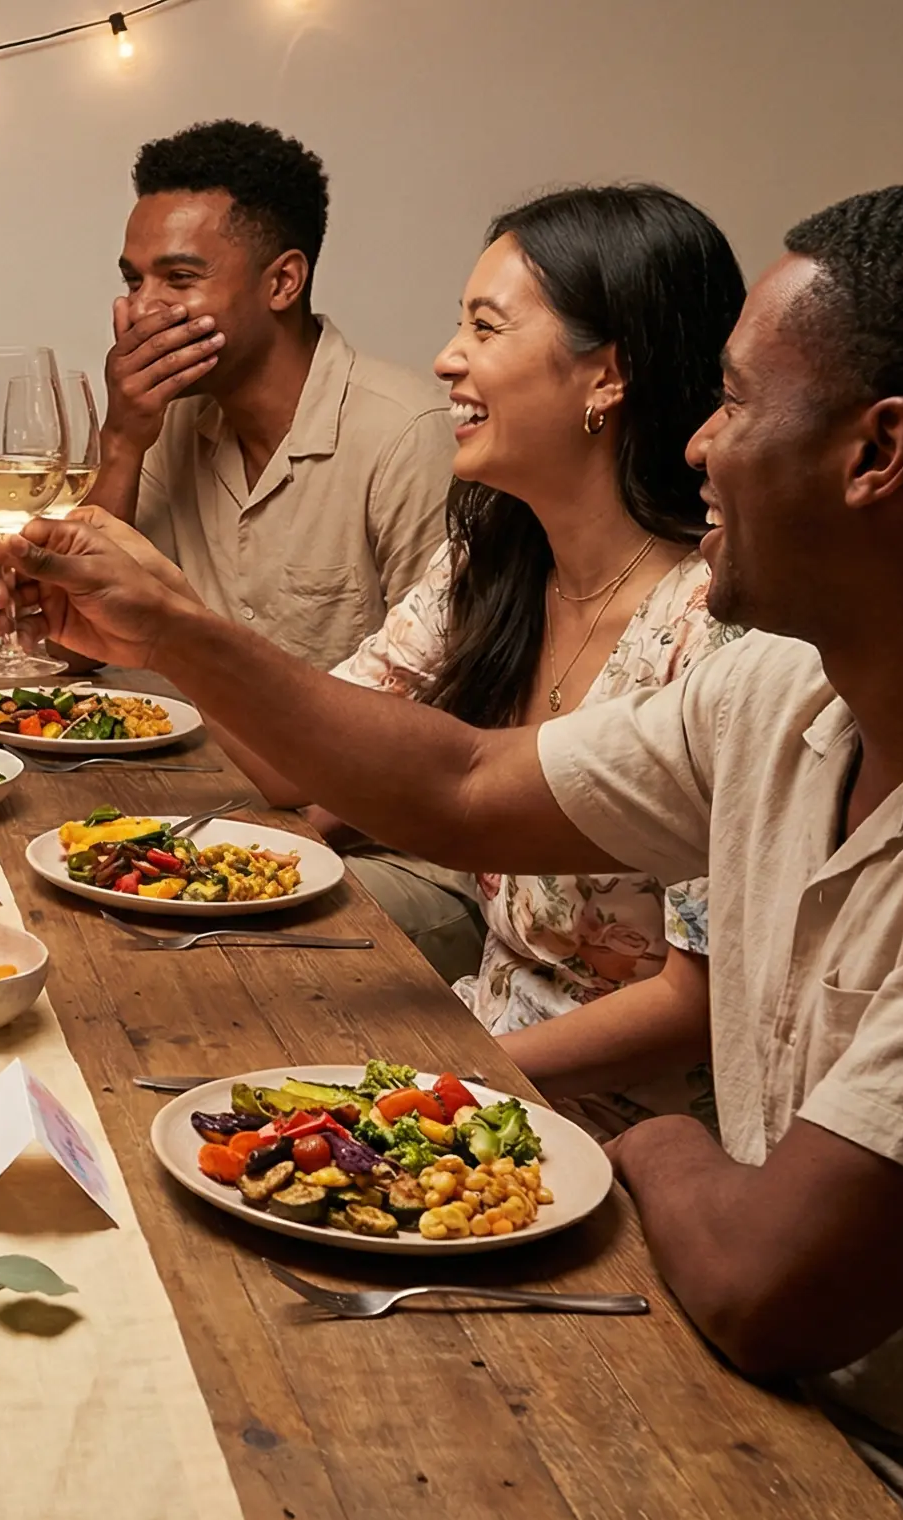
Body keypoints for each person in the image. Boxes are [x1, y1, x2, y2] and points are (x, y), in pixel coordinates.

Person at [0, 178, 903, 1520]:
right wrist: (172, 630)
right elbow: (463, 783)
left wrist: (668, 1143)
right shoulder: (792, 693)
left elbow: (765, 1283)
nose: (698, 443)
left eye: (739, 403)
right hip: (731, 1354)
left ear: (879, 453)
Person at [214, 185, 744, 1129]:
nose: (447, 357)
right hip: (475, 1067)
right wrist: (149, 629)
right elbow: (301, 759)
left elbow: (698, 1004)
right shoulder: (492, 558)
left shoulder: (715, 628)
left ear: (608, 377)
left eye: (486, 328)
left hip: (627, 1136)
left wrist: (439, 1082)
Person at [85, 120, 451, 671]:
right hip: (178, 758)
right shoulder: (162, 422)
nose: (140, 309)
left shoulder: (406, 434)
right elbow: (75, 647)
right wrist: (121, 441)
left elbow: (447, 694)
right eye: (134, 282)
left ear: (283, 283)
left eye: (179, 278)